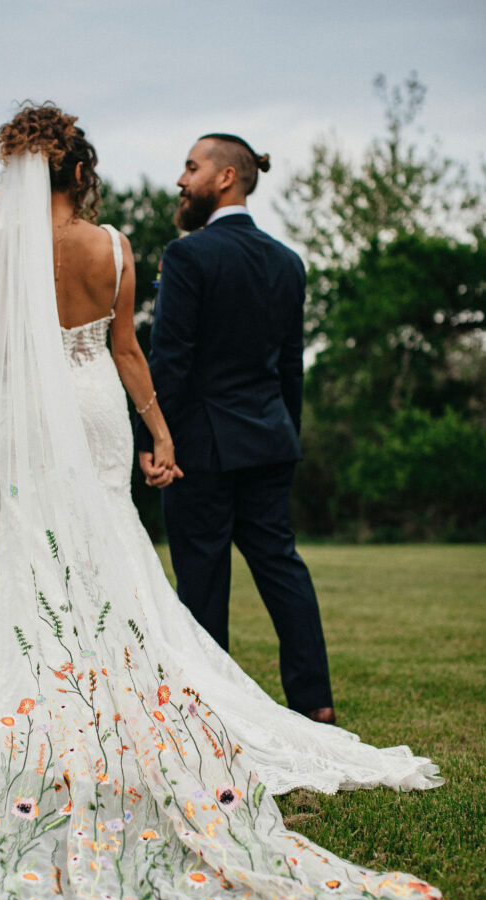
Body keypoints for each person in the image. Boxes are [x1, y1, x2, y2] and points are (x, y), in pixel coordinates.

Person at [0, 103, 442, 900]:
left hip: (38, 413)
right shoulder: (114, 249)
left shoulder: (8, 252)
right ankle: (130, 693)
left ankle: (42, 711)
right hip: (101, 406)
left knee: (39, 551)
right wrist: (158, 430)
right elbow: (125, 349)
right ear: (80, 172)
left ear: (27, 175)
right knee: (112, 548)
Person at [136, 133, 334, 723]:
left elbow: (169, 359)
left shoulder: (188, 256)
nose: (181, 180)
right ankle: (315, 703)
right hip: (271, 441)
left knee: (201, 579)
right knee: (282, 569)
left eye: (191, 168)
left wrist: (150, 440)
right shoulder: (286, 261)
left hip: (201, 448)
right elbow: (290, 364)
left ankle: (209, 716)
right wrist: (285, 436)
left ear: (225, 177)